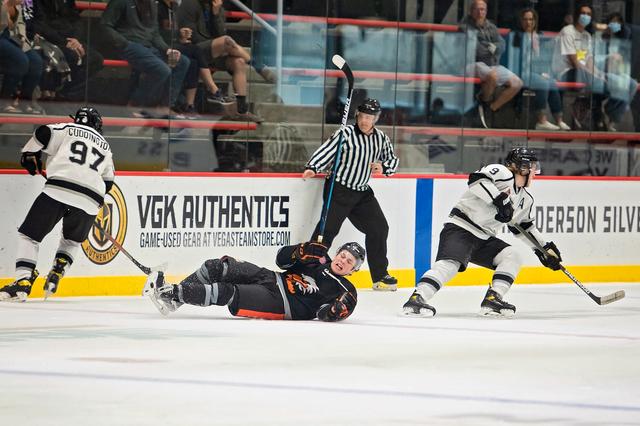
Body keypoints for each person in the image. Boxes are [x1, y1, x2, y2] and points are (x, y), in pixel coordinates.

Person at [402, 147, 563, 317]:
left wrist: (544, 249)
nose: (535, 172)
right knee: (450, 264)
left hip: (485, 238)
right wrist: (499, 201)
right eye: (532, 166)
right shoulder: (502, 172)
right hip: (461, 228)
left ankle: (493, 298)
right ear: (522, 167)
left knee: (512, 256)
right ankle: (417, 298)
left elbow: (524, 227)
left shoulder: (525, 199)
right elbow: (476, 181)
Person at [0, 107, 115, 302]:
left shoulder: (67, 129)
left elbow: (43, 132)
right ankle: (58, 270)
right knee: (72, 241)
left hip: (58, 189)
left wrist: (29, 153)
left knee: (29, 236)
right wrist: (88, 201)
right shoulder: (105, 146)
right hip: (91, 199)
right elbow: (109, 183)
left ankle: (23, 281)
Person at [302, 98, 400, 291]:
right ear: (357, 115)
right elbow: (326, 150)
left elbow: (392, 160)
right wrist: (313, 167)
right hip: (339, 189)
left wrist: (384, 167)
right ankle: (309, 271)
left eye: (369, 117)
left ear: (375, 119)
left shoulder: (381, 138)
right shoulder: (345, 133)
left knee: (379, 228)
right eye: (362, 116)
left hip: (362, 193)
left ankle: (380, 276)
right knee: (326, 231)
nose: (364, 121)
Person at [143, 241, 364, 322]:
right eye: (343, 255)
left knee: (226, 292)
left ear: (353, 270)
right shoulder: (316, 258)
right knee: (216, 266)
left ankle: (171, 293)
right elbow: (281, 260)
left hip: (281, 304)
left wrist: (334, 312)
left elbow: (324, 314)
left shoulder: (346, 290)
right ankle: (174, 299)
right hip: (271, 277)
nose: (343, 261)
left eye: (349, 261)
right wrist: (298, 251)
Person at [176, 0, 262, 122]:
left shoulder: (218, 8)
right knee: (225, 41)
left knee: (239, 62)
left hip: (214, 52)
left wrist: (215, 15)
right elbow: (190, 37)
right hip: (194, 50)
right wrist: (215, 45)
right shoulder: (189, 4)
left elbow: (221, 33)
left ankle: (241, 111)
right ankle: (258, 66)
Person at [101, 0, 190, 117]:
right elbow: (105, 25)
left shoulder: (152, 3)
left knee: (182, 62)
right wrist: (123, 43)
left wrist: (167, 49)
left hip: (148, 46)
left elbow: (154, 33)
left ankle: (164, 107)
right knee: (162, 69)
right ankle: (135, 105)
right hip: (128, 44)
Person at [157, 0, 233, 117]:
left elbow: (220, 33)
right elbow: (156, 33)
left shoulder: (174, 7)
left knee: (193, 62)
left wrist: (180, 36)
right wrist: (177, 36)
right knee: (195, 50)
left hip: (173, 45)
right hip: (160, 46)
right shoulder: (159, 7)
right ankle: (213, 89)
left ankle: (189, 105)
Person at [462, 0, 523, 128]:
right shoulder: (465, 26)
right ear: (471, 11)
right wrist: (492, 48)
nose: (480, 12)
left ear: (486, 11)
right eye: (477, 9)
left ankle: (490, 108)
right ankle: (483, 102)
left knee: (517, 83)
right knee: (493, 76)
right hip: (472, 63)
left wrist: (492, 47)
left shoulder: (491, 26)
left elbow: (502, 45)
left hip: (492, 65)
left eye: (483, 9)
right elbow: (476, 50)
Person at [32, 0, 104, 100]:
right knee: (71, 56)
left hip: (71, 40)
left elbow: (77, 20)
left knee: (96, 59)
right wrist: (65, 42)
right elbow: (41, 24)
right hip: (49, 39)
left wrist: (75, 40)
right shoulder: (38, 2)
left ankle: (64, 93)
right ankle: (51, 91)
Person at [512, 8, 570, 130]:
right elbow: (516, 59)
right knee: (542, 83)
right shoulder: (517, 36)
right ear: (521, 21)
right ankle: (541, 121)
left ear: (535, 21)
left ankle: (559, 120)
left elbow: (543, 58)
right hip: (521, 71)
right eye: (525, 19)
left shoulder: (539, 36)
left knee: (552, 83)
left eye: (531, 19)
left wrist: (544, 72)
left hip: (536, 72)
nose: (528, 22)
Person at [0, 0, 43, 113]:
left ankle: (24, 102)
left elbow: (20, 22)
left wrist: (23, 38)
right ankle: (4, 101)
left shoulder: (17, 3)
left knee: (36, 62)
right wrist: (7, 6)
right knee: (20, 60)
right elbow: (2, 25)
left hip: (13, 38)